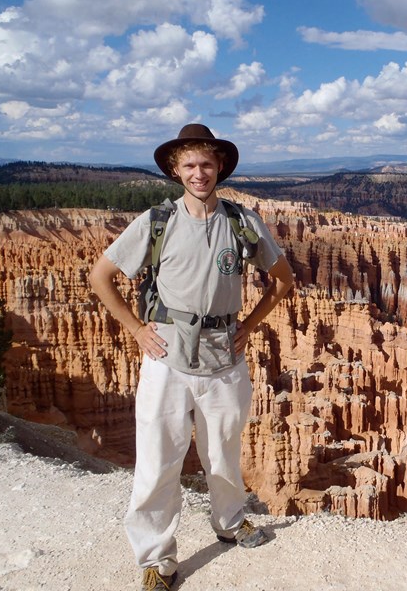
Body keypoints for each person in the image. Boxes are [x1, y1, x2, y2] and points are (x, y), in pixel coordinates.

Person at [89, 124, 294, 591]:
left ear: (219, 166)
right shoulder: (156, 221)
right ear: (174, 170)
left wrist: (251, 324)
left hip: (224, 355)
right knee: (159, 458)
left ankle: (229, 521)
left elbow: (282, 279)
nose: (199, 173)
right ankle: (157, 557)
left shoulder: (243, 221)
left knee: (223, 449)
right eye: (189, 165)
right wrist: (137, 329)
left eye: (206, 164)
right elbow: (100, 276)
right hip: (166, 357)